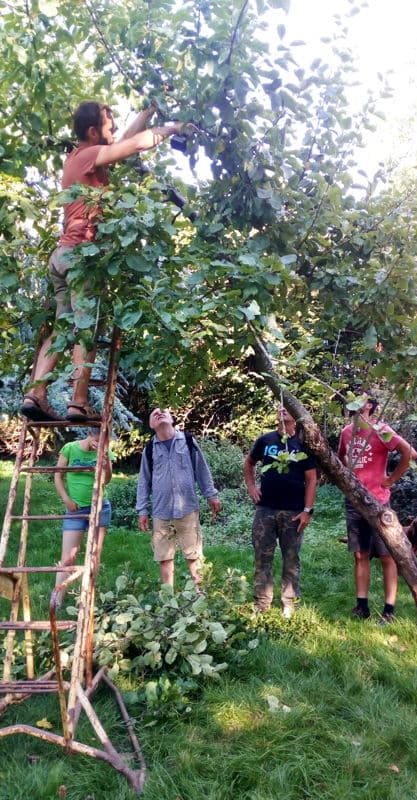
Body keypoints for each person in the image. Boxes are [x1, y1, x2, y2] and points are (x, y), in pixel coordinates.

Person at [21, 101, 186, 423]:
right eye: (109, 125)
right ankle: (79, 401)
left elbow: (123, 142)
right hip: (82, 258)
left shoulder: (79, 158)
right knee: (85, 329)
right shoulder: (89, 156)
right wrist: (173, 128)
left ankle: (35, 393)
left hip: (62, 257)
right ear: (93, 132)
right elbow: (133, 145)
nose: (115, 129)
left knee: (63, 327)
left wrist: (147, 113)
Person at [338, 396, 417, 624]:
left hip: (379, 502)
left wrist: (390, 479)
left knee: (387, 556)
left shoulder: (381, 430)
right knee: (360, 554)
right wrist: (348, 477)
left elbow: (411, 453)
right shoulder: (347, 432)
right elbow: (341, 457)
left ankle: (389, 611)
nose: (353, 401)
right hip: (354, 501)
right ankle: (362, 607)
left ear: (370, 406)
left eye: (361, 399)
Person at [244, 406, 317, 618]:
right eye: (280, 407)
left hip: (293, 512)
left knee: (291, 558)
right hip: (265, 509)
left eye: (287, 407)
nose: (283, 409)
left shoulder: (303, 444)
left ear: (296, 415)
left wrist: (307, 510)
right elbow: (249, 463)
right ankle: (262, 603)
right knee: (262, 557)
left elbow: (312, 479)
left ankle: (289, 603)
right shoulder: (265, 440)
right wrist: (252, 487)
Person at [136, 408, 221, 588]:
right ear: (151, 425)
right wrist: (142, 510)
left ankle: (200, 594)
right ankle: (168, 597)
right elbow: (144, 481)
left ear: (172, 419)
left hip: (187, 509)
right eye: (154, 414)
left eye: (163, 412)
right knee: (164, 557)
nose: (159, 413)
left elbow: (201, 469)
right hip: (161, 512)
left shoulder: (187, 441)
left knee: (194, 555)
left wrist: (211, 494)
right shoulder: (149, 449)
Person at [54, 427, 113, 605]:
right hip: (75, 510)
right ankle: (57, 600)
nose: (99, 444)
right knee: (68, 557)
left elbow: (107, 479)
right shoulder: (70, 448)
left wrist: (104, 460)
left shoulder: (105, 450)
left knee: (94, 554)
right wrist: (66, 499)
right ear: (91, 435)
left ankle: (87, 598)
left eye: (103, 442)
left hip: (100, 507)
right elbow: (58, 476)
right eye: (97, 441)